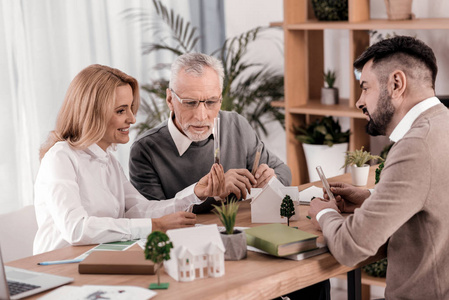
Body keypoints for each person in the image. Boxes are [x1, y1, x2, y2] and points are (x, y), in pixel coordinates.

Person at [308, 36, 449, 299]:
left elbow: (351, 247)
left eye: (365, 88)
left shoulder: (416, 145)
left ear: (396, 84)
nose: (359, 102)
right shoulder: (442, 126)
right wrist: (370, 199)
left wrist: (325, 215)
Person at [33, 64, 225, 255]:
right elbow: (76, 229)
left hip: (97, 261)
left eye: (131, 108)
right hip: (57, 265)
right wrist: (154, 226)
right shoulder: (60, 158)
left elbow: (139, 209)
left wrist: (195, 192)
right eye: (121, 111)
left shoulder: (108, 161)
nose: (132, 119)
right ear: (93, 113)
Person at [129, 52, 291, 213]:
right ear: (170, 99)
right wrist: (215, 194)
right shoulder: (145, 150)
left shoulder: (237, 125)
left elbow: (283, 172)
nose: (201, 116)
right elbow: (154, 217)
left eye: (211, 102)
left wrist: (271, 180)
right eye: (190, 103)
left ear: (220, 99)